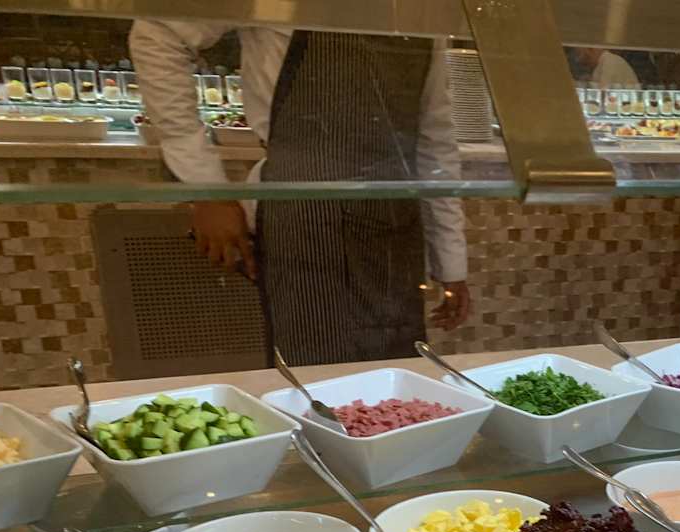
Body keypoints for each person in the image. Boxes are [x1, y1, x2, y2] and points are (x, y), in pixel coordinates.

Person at [129, 21, 470, 365]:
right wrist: (205, 187)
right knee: (311, 371)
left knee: (397, 371)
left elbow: (434, 140)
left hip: (394, 224)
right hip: (303, 217)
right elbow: (158, 32)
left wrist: (451, 264)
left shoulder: (423, 13)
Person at [572, 47, 640, 90]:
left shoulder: (609, 61)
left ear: (590, 50)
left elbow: (603, 91)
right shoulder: (602, 63)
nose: (579, 59)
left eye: (579, 54)